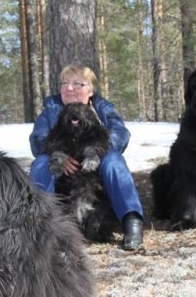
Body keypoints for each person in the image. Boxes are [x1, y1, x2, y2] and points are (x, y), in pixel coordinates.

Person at [29, 64, 144, 250]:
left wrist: (96, 151)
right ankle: (40, 225)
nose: (69, 88)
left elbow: (121, 134)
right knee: (42, 163)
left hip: (97, 167)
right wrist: (58, 154)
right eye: (64, 83)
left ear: (90, 90)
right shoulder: (50, 110)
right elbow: (38, 140)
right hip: (63, 175)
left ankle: (132, 221)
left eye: (77, 84)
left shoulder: (104, 109)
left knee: (113, 161)